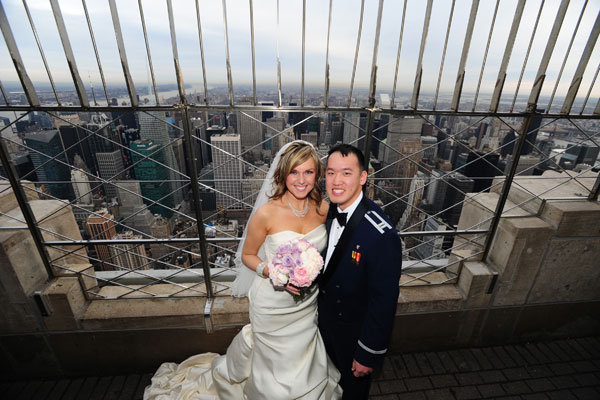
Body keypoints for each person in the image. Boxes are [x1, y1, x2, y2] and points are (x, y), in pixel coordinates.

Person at [144, 141, 342, 400]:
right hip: (271, 304)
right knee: (273, 370)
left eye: (308, 172)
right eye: (294, 172)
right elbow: (247, 255)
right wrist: (270, 271)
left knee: (304, 358)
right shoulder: (266, 214)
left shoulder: (324, 210)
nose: (301, 180)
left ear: (317, 174)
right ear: (283, 174)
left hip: (307, 305)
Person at [318, 144, 402, 400]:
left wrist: (368, 353)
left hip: (353, 337)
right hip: (324, 326)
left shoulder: (381, 235)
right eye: (331, 173)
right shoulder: (329, 212)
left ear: (363, 178)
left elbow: (384, 302)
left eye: (346, 173)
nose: (336, 181)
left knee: (352, 394)